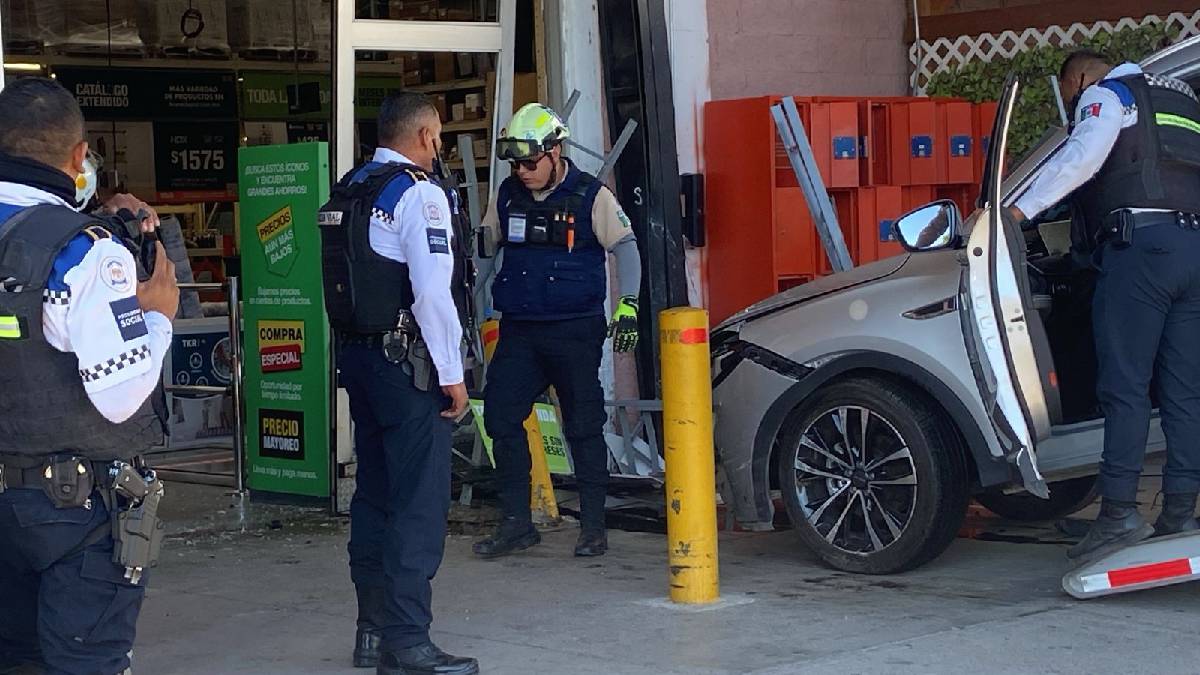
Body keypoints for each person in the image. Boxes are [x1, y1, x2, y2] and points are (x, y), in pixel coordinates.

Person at [0, 77, 178, 675]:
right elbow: (122, 394)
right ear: (79, 157)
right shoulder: (87, 251)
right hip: (73, 508)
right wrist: (157, 316)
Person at [1008, 50, 1200, 562]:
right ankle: (1179, 511)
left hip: (1141, 254)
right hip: (1193, 250)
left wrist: (1015, 211)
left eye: (1070, 98)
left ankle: (1118, 515)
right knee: (1184, 392)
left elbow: (1082, 158)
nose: (1074, 105)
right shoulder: (1181, 99)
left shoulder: (1108, 94)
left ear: (1076, 81)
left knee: (1125, 388)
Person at [320, 92, 477, 675]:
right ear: (427, 137)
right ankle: (407, 642)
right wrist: (453, 375)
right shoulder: (418, 193)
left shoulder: (352, 187)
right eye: (437, 137)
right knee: (418, 504)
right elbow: (434, 294)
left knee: (375, 496)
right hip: (409, 366)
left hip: (361, 361)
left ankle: (371, 630)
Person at [473, 103, 642, 559]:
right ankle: (516, 523)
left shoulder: (590, 195)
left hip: (574, 330)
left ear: (555, 151)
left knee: (583, 426)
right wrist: (469, 302)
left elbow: (626, 247)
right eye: (516, 164)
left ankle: (592, 527)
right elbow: (487, 249)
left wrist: (628, 305)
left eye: (531, 162)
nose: (523, 172)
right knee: (501, 418)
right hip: (520, 331)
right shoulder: (507, 195)